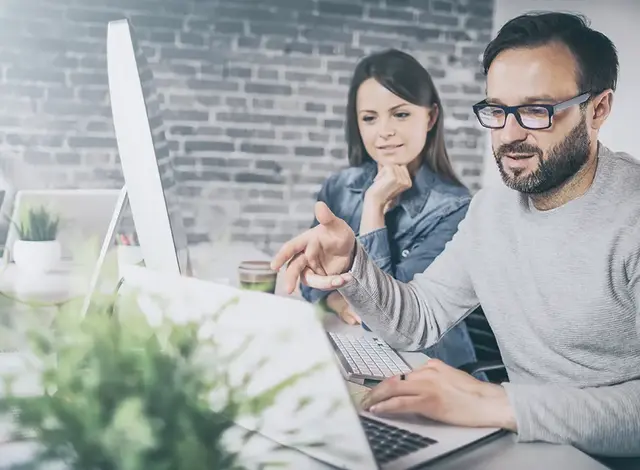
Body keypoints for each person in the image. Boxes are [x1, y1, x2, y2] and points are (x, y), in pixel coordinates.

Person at [271, 11, 640, 459]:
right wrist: (354, 263)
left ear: (598, 109)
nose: (510, 134)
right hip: (526, 441)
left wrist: (502, 403)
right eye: (497, 111)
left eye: (534, 111)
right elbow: (419, 319)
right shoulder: (491, 210)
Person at [299, 49, 478, 370]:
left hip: (432, 367)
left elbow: (394, 319)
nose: (384, 131)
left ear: (431, 117)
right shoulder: (339, 188)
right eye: (369, 118)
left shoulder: (456, 209)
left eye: (401, 114)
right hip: (360, 348)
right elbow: (308, 276)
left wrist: (374, 209)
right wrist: (336, 299)